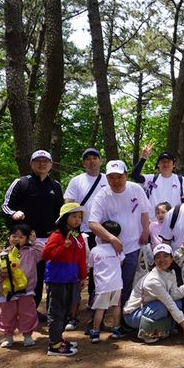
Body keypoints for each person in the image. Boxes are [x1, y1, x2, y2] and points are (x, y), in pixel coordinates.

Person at [2, 150, 64, 313]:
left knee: (37, 278)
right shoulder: (21, 183)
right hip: (22, 240)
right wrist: (13, 213)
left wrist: (60, 232)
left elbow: (61, 212)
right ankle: (3, 311)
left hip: (46, 240)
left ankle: (31, 310)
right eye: (38, 161)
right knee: (13, 273)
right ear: (31, 164)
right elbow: (5, 206)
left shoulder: (55, 186)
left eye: (45, 161)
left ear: (51, 165)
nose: (42, 164)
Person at [88, 160, 150, 308]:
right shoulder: (102, 195)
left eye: (119, 176)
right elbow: (92, 223)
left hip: (132, 246)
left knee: (127, 282)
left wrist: (145, 231)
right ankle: (97, 318)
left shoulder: (136, 189)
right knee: (103, 284)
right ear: (107, 178)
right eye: (111, 177)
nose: (115, 181)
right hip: (108, 250)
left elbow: (144, 212)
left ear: (126, 175)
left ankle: (122, 318)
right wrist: (111, 238)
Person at [62, 147, 108, 331]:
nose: (92, 161)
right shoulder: (76, 181)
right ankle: (71, 312)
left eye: (95, 158)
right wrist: (71, 229)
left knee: (99, 273)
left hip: (103, 233)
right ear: (83, 163)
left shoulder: (108, 179)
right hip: (81, 232)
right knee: (78, 271)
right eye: (87, 159)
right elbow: (68, 204)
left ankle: (95, 309)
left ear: (100, 160)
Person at [122, 244, 184, 344]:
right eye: (158, 257)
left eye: (165, 256)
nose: (162, 260)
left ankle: (162, 330)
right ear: (154, 261)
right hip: (133, 315)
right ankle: (147, 333)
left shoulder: (171, 272)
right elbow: (169, 302)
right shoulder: (153, 280)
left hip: (150, 307)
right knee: (163, 306)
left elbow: (175, 295)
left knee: (178, 303)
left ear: (171, 259)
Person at [42, 203, 88, 356]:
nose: (77, 220)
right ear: (64, 218)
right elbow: (46, 255)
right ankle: (54, 345)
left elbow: (82, 258)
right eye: (73, 216)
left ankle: (58, 339)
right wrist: (63, 247)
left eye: (79, 217)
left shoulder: (78, 236)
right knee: (56, 311)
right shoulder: (57, 235)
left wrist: (82, 276)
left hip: (71, 278)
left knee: (65, 311)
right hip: (57, 279)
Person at [0, 224, 41, 348]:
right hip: (7, 292)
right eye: (14, 236)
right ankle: (8, 336)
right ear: (9, 237)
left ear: (27, 239)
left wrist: (34, 241)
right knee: (6, 314)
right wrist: (1, 275)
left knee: (27, 313)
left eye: (21, 237)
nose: (17, 239)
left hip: (26, 291)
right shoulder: (2, 254)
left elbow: (44, 251)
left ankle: (27, 336)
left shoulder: (31, 252)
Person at [87, 220, 126, 343]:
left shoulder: (95, 250)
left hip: (102, 286)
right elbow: (121, 262)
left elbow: (90, 265)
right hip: (117, 284)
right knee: (117, 306)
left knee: (100, 309)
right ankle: (115, 330)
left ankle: (95, 332)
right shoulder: (118, 248)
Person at [130, 142, 184, 216]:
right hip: (154, 222)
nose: (165, 164)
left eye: (168, 161)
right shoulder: (152, 179)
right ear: (158, 164)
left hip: (174, 223)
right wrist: (143, 158)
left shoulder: (181, 180)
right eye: (162, 161)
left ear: (174, 165)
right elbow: (134, 175)